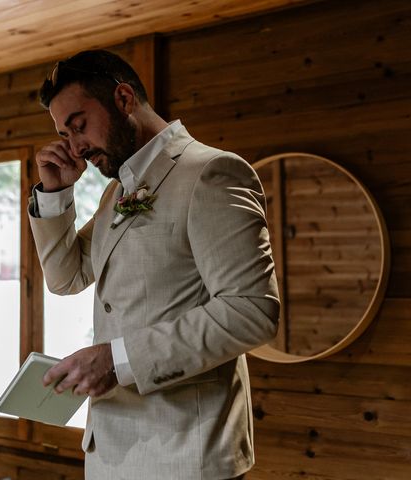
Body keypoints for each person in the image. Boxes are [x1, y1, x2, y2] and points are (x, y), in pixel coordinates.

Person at [28, 50, 280, 479]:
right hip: (111, 453)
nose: (75, 147)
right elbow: (66, 278)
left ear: (123, 98)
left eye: (79, 125)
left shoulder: (212, 173)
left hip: (186, 455)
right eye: (65, 135)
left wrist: (116, 360)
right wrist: (54, 196)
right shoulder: (116, 193)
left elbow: (252, 311)